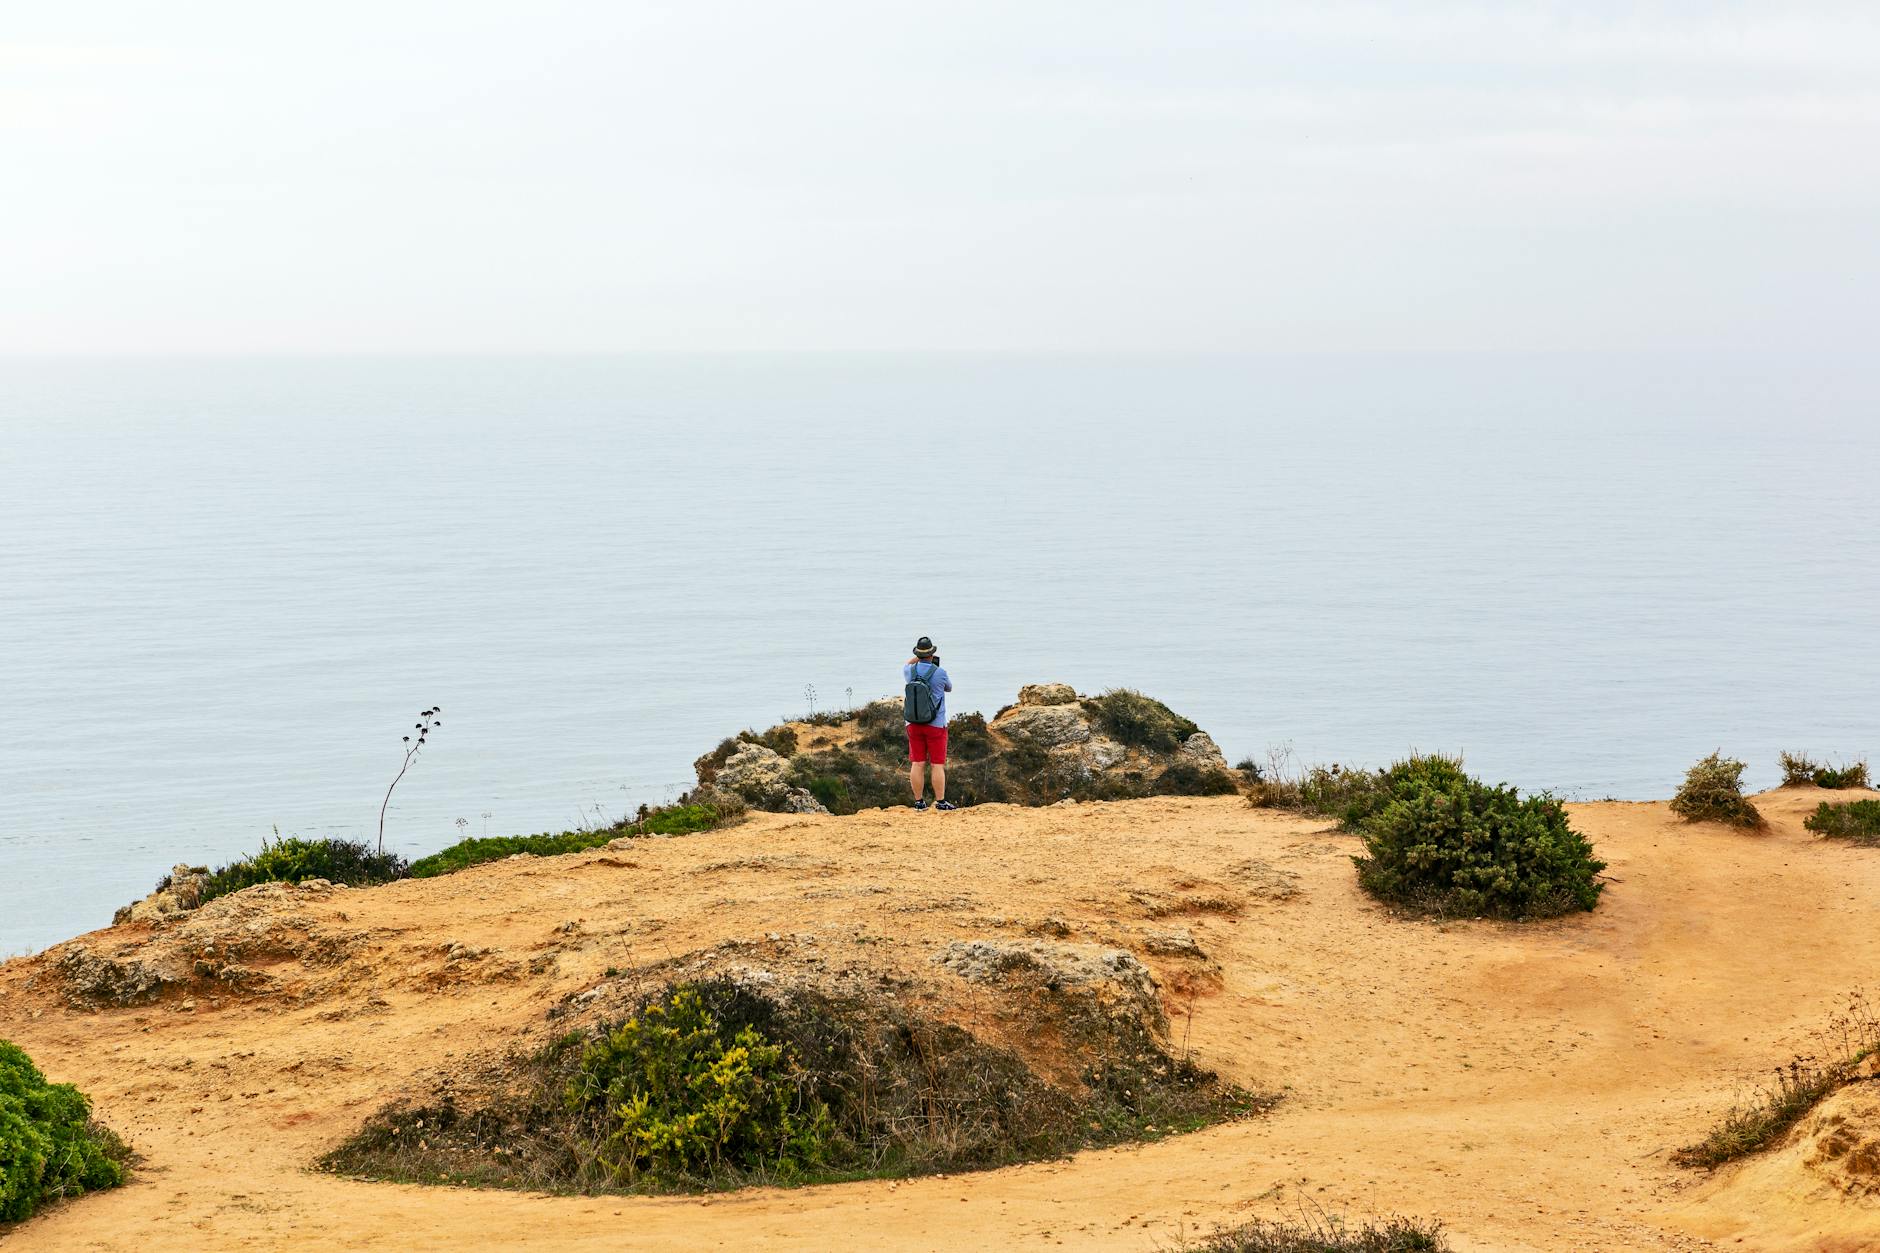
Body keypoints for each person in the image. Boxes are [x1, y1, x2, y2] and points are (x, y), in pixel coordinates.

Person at [904, 636, 955, 811]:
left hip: (913, 723)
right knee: (937, 764)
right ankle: (940, 802)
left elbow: (907, 664)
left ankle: (919, 802)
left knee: (917, 763)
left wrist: (917, 659)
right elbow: (949, 688)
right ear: (932, 654)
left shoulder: (909, 671)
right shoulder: (940, 673)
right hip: (935, 725)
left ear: (917, 654)